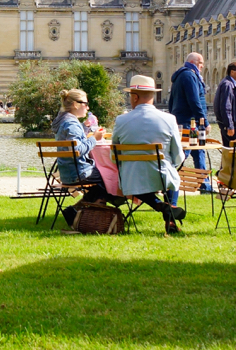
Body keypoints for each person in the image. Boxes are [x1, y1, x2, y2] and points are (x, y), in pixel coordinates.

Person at [111, 75, 188, 234]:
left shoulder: (121, 120)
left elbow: (114, 151)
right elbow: (179, 156)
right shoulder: (169, 119)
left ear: (135, 97)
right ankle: (170, 218)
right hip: (161, 176)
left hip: (130, 179)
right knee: (171, 173)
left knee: (137, 174)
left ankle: (161, 206)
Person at [51, 89, 114, 228]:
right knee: (112, 176)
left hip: (67, 172)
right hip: (78, 172)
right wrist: (94, 139)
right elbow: (77, 150)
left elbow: (74, 142)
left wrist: (84, 128)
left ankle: (75, 211)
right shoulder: (71, 124)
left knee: (102, 184)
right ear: (75, 104)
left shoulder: (65, 120)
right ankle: (92, 218)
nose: (88, 107)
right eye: (85, 104)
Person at [167, 52, 209, 170]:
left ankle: (204, 185)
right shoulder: (189, 76)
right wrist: (204, 122)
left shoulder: (180, 76)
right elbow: (194, 101)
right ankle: (169, 181)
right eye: (200, 63)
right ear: (192, 62)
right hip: (189, 123)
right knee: (182, 155)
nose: (202, 66)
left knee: (199, 153)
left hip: (183, 121)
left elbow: (171, 102)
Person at [215, 62, 236, 149]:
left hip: (228, 124)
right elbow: (226, 106)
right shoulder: (227, 85)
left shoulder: (228, 84)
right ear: (232, 72)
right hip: (230, 126)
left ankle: (226, 163)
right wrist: (229, 125)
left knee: (229, 151)